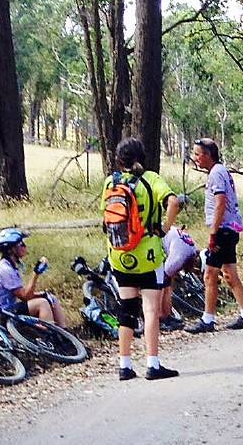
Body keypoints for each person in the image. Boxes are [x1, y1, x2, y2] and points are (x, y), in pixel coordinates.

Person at [100, 137, 180, 381]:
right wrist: (165, 227)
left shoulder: (109, 182)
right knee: (150, 310)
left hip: (120, 256)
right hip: (147, 255)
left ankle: (125, 366)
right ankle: (152, 364)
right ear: (141, 157)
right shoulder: (151, 179)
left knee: (126, 310)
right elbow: (173, 201)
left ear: (119, 159)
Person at [185, 137, 243, 333]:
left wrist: (213, 234)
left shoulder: (216, 174)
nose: (195, 158)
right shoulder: (220, 171)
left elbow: (220, 203)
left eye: (197, 154)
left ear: (208, 155)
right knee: (230, 274)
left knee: (209, 274)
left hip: (223, 231)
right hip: (230, 229)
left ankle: (207, 320)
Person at [0, 227, 68, 326]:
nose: (25, 246)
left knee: (50, 298)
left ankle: (64, 333)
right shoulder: (4, 269)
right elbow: (25, 296)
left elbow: (24, 295)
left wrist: (43, 294)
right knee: (42, 303)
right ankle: (46, 337)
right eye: (21, 244)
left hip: (6, 310)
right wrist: (35, 274)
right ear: (11, 250)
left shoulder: (9, 265)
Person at [159, 224, 199, 331]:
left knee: (163, 285)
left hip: (176, 249)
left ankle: (164, 317)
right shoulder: (190, 251)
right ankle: (164, 317)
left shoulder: (179, 256)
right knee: (164, 285)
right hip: (181, 247)